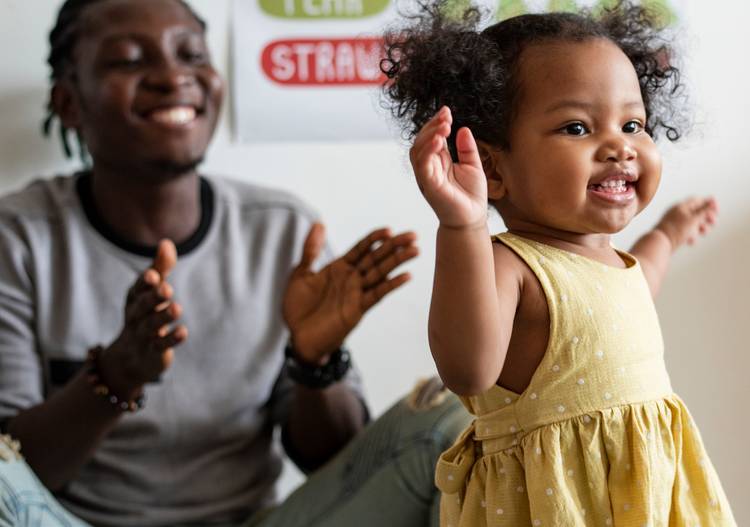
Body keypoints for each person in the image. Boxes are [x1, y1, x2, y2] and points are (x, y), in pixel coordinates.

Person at [0, 0, 471, 526]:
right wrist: (117, 375)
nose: (171, 76)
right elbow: (14, 472)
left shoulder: (282, 230)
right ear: (69, 103)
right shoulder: (17, 238)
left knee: (453, 421)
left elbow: (337, 464)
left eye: (191, 55)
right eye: (129, 60)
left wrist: (314, 363)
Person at [381, 1, 736, 526]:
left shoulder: (614, 263)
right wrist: (464, 226)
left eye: (633, 123)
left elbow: (641, 285)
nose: (619, 145)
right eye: (576, 128)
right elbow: (468, 369)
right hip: (557, 506)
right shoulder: (512, 264)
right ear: (493, 169)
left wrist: (668, 233)